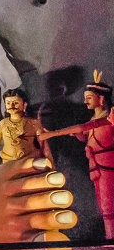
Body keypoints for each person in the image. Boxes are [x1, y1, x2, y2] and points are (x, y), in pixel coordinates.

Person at [38, 71, 114, 237]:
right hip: (97, 168)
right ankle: (109, 237)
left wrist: (51, 134)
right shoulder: (94, 119)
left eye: (89, 97)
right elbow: (84, 134)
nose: (85, 100)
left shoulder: (108, 118)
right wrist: (79, 136)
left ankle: (110, 239)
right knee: (103, 205)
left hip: (108, 166)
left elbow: (82, 128)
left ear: (101, 99)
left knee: (109, 205)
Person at [0, 89, 44, 164]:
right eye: (8, 103)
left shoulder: (32, 122)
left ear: (24, 105)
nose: (11, 106)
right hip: (8, 162)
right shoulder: (3, 123)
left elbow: (43, 144)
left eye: (15, 103)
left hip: (30, 160)